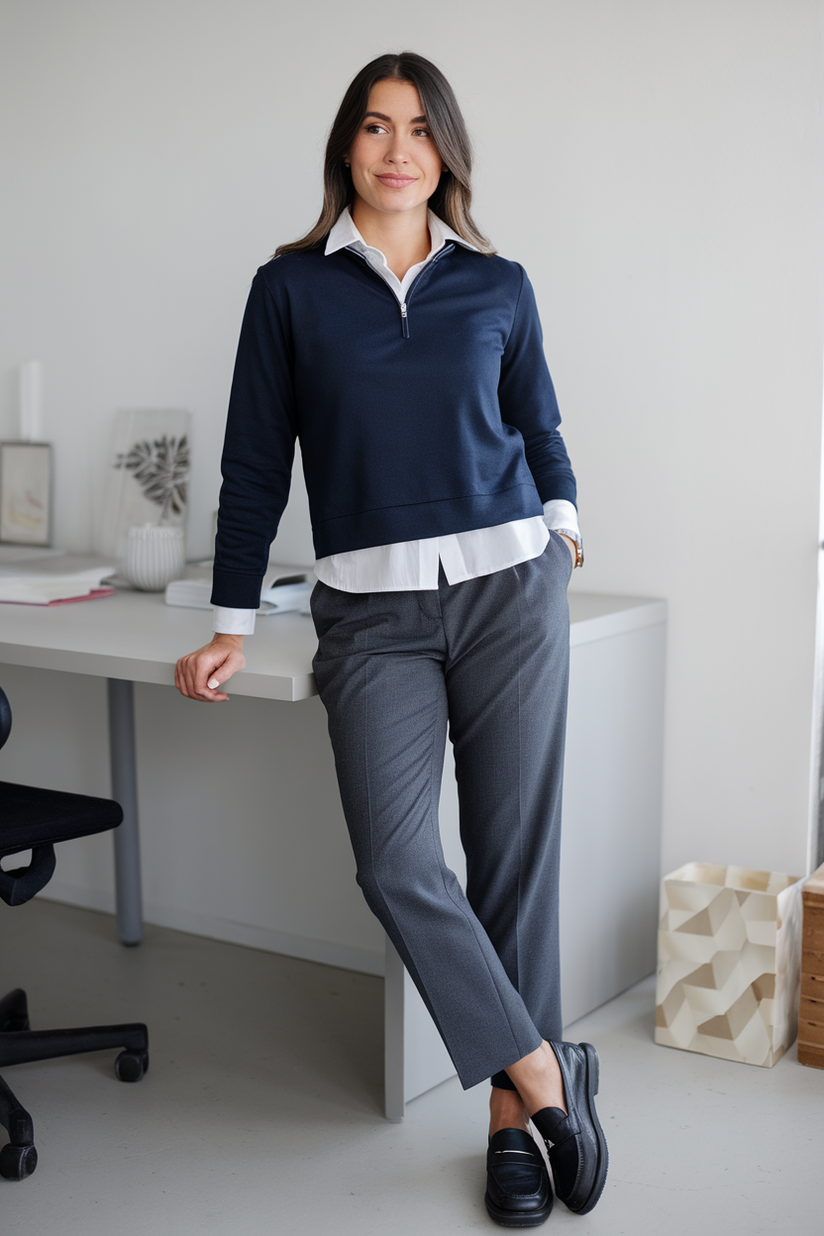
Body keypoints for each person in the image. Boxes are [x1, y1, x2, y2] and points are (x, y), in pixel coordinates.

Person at [175, 51, 607, 1228]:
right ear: (345, 150)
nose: (396, 148)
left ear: (446, 151)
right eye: (373, 127)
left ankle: (509, 1133)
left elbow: (540, 425)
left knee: (515, 861)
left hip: (507, 591)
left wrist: (561, 523)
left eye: (419, 128)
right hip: (369, 617)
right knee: (398, 862)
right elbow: (256, 462)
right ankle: (543, 1068)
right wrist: (225, 621)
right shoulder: (290, 291)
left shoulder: (498, 282)